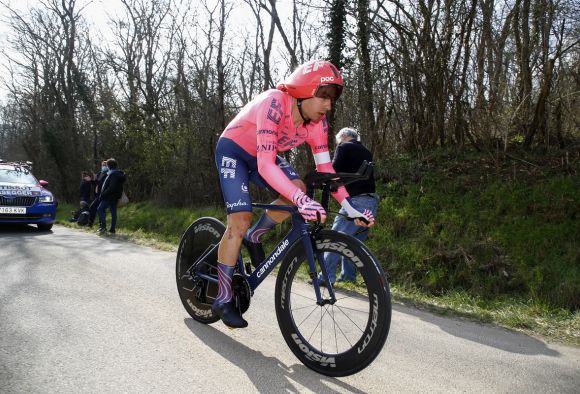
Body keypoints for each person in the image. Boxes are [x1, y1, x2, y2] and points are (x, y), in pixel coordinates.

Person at [213, 60, 375, 328]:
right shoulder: (275, 102)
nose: (328, 105)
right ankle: (222, 296)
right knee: (240, 220)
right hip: (235, 151)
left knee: (298, 188)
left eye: (332, 99)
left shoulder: (317, 124)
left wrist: (349, 207)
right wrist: (302, 202)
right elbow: (266, 165)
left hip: (262, 155)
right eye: (323, 97)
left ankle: (256, 235)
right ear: (304, 90)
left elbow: (325, 169)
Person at [318, 127, 379, 285]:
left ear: (344, 137)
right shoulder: (366, 151)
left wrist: (319, 178)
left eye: (338, 141)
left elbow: (333, 169)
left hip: (355, 202)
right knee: (353, 244)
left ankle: (325, 277)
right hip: (371, 201)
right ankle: (348, 277)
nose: (337, 144)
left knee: (335, 239)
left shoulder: (344, 147)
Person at [97, 158, 126, 234]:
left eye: (107, 165)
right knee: (113, 212)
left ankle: (103, 227)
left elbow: (111, 187)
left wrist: (103, 193)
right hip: (115, 197)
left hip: (108, 196)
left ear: (109, 166)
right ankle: (112, 229)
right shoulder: (118, 173)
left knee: (100, 209)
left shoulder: (113, 174)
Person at [88, 160, 109, 226]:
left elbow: (102, 184)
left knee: (101, 210)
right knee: (92, 207)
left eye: (105, 165)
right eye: (102, 165)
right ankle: (90, 223)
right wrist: (91, 180)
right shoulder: (99, 173)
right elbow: (96, 183)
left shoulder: (108, 174)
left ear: (107, 166)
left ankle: (101, 225)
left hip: (103, 194)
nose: (103, 166)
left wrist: (96, 180)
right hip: (97, 195)